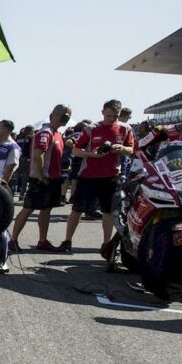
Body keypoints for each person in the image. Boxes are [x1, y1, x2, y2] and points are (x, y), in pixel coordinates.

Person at [59, 100, 133, 254]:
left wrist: (121, 148)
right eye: (108, 115)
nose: (111, 119)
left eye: (115, 116)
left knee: (108, 212)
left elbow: (132, 150)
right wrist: (92, 154)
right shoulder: (90, 129)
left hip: (111, 176)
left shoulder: (125, 129)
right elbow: (75, 150)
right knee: (77, 209)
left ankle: (106, 245)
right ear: (102, 112)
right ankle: (67, 241)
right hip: (88, 176)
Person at [9, 104, 71, 252]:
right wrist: (41, 176)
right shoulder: (46, 132)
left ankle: (42, 241)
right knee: (28, 209)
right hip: (42, 179)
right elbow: (38, 155)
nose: (66, 118)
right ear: (54, 115)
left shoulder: (57, 133)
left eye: (68, 115)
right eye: (64, 114)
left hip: (53, 179)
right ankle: (13, 240)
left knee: (46, 209)